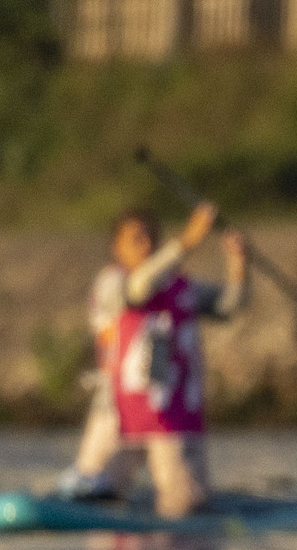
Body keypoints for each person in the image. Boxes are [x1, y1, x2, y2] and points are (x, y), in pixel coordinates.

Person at [58, 202, 252, 518]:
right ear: (116, 247)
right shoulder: (111, 283)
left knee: (185, 509)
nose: (146, 245)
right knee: (87, 500)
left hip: (172, 418)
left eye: (151, 238)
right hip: (116, 415)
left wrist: (238, 261)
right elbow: (138, 289)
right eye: (136, 238)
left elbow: (231, 306)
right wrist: (186, 242)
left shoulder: (182, 288)